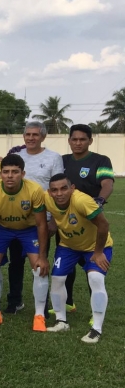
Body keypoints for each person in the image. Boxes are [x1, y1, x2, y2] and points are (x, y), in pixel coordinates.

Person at [0, 154, 49, 331]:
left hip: (28, 228)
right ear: (0, 173)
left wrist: (42, 256)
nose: (10, 175)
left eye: (15, 172)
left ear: (22, 173)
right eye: (6, 172)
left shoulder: (35, 190)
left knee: (39, 268)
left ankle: (39, 315)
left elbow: (41, 224)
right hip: (2, 228)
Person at [45, 174, 113, 343]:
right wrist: (53, 222)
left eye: (64, 188)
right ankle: (61, 321)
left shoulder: (82, 201)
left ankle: (96, 329)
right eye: (55, 190)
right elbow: (54, 211)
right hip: (68, 246)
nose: (59, 193)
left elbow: (103, 225)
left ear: (72, 188)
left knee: (95, 278)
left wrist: (98, 252)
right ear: (50, 192)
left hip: (95, 246)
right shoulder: (47, 199)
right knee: (57, 278)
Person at [5, 121, 62, 314]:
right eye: (27, 134)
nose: (31, 138)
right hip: (16, 219)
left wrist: (53, 220)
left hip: (41, 221)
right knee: (15, 263)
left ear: (43, 137)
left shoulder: (54, 158)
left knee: (39, 262)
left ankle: (42, 307)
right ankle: (14, 301)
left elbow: (57, 189)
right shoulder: (16, 157)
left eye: (35, 135)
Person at [58, 124, 115, 312]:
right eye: (74, 139)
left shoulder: (100, 160)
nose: (78, 143)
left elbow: (107, 183)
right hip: (66, 222)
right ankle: (68, 303)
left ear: (90, 141)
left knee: (92, 267)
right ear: (69, 141)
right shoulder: (62, 161)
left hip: (90, 221)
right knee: (67, 266)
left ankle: (95, 309)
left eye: (82, 139)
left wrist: (100, 200)